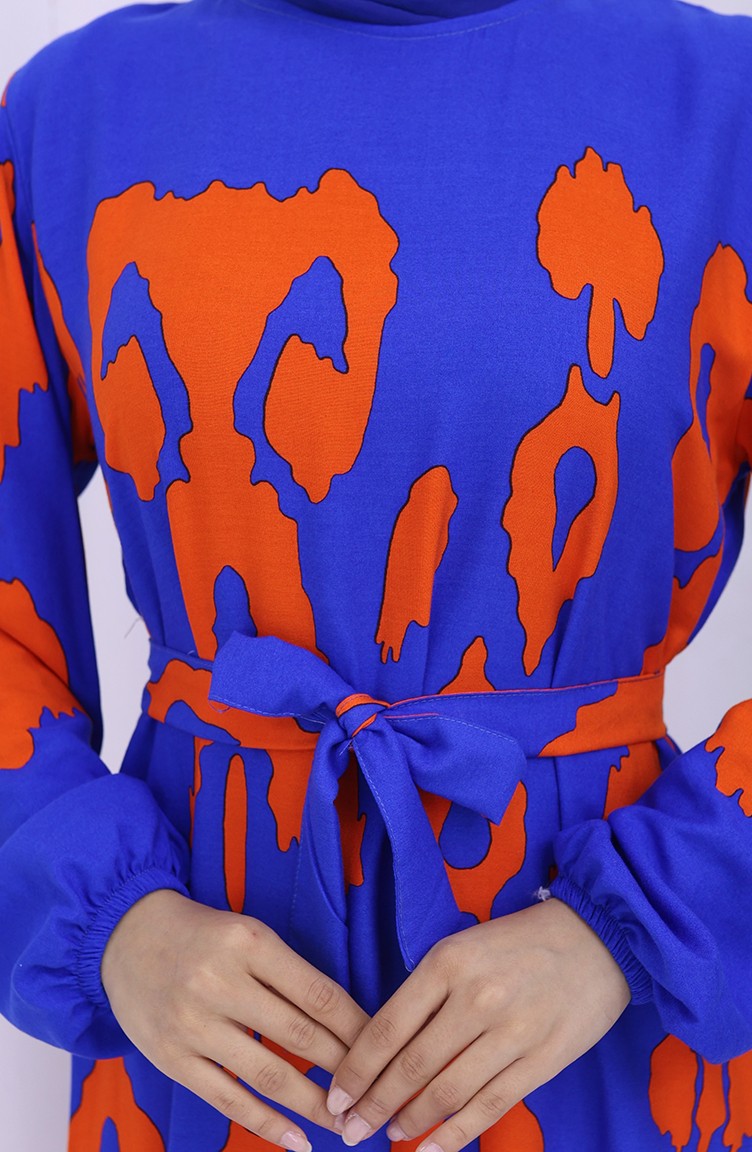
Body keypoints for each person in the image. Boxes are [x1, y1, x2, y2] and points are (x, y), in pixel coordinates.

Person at [2, 0, 752, 1148]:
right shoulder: (75, 113)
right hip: (199, 1027)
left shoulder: (724, 108)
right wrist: (112, 922)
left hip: (608, 1027)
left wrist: (642, 920)